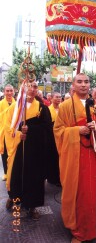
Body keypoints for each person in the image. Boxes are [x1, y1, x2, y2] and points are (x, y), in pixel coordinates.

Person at [53, 73, 96, 243]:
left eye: (86, 81)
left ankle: (89, 226)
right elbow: (58, 131)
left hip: (94, 155)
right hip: (75, 158)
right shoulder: (66, 106)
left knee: (92, 192)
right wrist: (76, 131)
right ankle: (79, 232)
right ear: (73, 85)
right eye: (79, 81)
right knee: (80, 194)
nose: (83, 85)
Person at [4, 81, 52, 220]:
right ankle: (15, 199)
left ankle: (32, 206)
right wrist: (19, 134)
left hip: (35, 151)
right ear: (22, 88)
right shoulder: (15, 107)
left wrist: (31, 130)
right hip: (19, 149)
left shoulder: (42, 108)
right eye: (29, 86)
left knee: (35, 178)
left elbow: (47, 129)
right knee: (17, 176)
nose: (32, 89)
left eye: (35, 87)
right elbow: (8, 128)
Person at [0, 84, 15, 181]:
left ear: (14, 91)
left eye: (11, 91)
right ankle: (6, 172)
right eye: (7, 91)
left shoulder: (17, 103)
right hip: (3, 132)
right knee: (4, 153)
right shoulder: (1, 104)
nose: (9, 93)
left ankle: (13, 171)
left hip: (13, 132)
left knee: (13, 153)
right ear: (4, 92)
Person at [46, 92, 62, 186]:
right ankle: (52, 177)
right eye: (56, 97)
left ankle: (60, 177)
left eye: (60, 97)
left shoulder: (62, 109)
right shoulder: (48, 109)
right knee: (53, 157)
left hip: (61, 136)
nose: (58, 99)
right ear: (51, 98)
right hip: (51, 137)